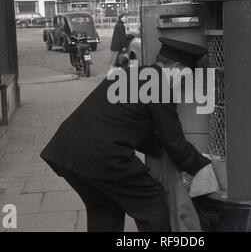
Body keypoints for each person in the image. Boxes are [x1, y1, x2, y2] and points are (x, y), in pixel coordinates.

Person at [40, 37, 211, 232]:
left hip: (64, 151)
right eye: (183, 78)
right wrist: (202, 166)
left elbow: (124, 124)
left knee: (105, 209)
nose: (180, 84)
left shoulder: (128, 74)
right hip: (101, 155)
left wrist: (160, 149)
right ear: (178, 68)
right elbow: (174, 142)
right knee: (152, 204)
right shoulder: (159, 85)